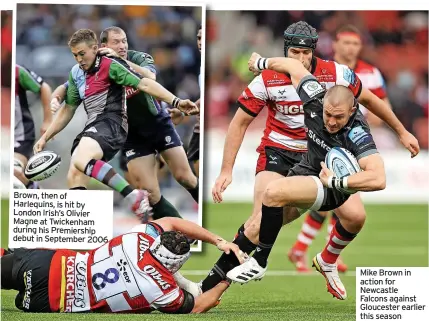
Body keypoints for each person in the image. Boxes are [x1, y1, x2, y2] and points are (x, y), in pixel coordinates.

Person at [188, 21, 418, 300]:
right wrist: (227, 170)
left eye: (305, 53)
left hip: (319, 155)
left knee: (356, 217)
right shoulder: (268, 79)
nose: (299, 59)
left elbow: (371, 100)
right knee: (258, 222)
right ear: (286, 50)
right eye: (294, 52)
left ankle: (326, 260)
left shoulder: (335, 75)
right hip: (278, 151)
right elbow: (238, 124)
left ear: (313, 52)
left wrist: (402, 131)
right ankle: (212, 289)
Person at [34, 29, 197, 218]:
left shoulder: (126, 61)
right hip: (128, 133)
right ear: (103, 47)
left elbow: (148, 80)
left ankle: (131, 196)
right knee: (148, 193)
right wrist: (47, 132)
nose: (122, 46)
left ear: (96, 49)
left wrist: (176, 102)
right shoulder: (81, 70)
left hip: (153, 123)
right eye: (116, 43)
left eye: (124, 41)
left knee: (184, 177)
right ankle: (178, 233)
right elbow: (69, 103)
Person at [288, 24, 394, 273]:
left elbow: (381, 105)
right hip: (326, 139)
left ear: (360, 47)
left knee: (339, 193)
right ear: (335, 45)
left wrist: (370, 122)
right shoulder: (329, 72)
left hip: (355, 140)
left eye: (355, 43)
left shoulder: (370, 73)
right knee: (337, 194)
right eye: (345, 42)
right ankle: (315, 251)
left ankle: (303, 248)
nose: (350, 48)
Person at [0, 217, 246, 313]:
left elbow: (171, 221)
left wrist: (217, 241)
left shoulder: (138, 238)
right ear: (176, 263)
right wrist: (228, 278)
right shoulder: (161, 289)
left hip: (49, 264)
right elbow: (198, 306)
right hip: (55, 300)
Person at [168, 25, 202, 177]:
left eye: (203, 38)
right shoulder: (200, 65)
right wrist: (183, 112)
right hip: (198, 125)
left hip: (202, 127)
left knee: (192, 175)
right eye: (198, 38)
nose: (200, 42)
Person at [14, 64, 53, 189]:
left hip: (20, 136)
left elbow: (44, 87)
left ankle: (33, 188)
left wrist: (47, 121)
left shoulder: (17, 72)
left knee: (13, 172)